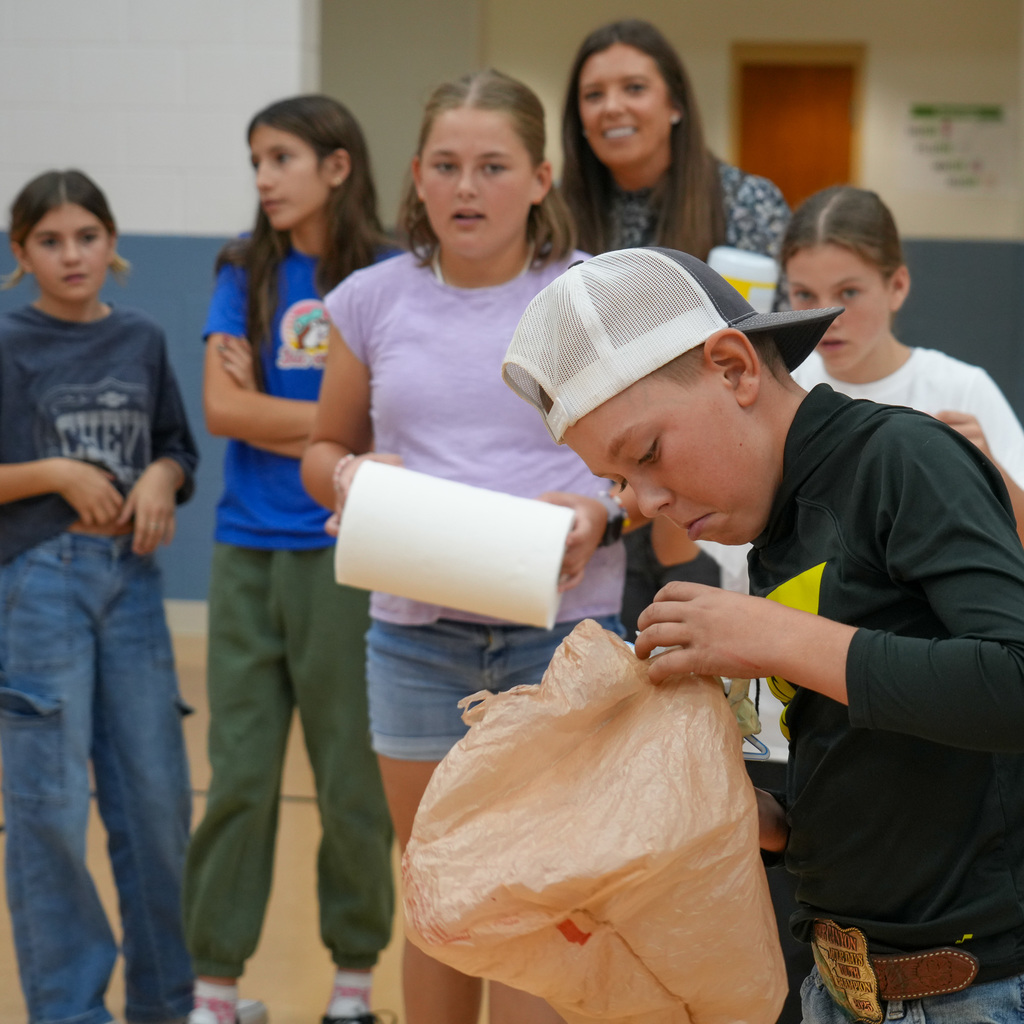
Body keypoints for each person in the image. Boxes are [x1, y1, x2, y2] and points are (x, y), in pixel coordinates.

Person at [503, 245, 1024, 1024]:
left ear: (735, 367)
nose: (642, 502)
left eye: (647, 453)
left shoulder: (900, 458)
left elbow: (1012, 681)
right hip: (842, 984)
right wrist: (757, 817)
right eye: (617, 482)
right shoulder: (777, 522)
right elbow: (879, 760)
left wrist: (774, 637)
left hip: (974, 990)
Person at [301, 69, 625, 1024]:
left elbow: (651, 462)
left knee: (539, 893)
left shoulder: (588, 296)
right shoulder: (370, 298)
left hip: (561, 635)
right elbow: (323, 450)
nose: (466, 187)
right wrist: (349, 476)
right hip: (415, 639)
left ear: (540, 178)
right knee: (438, 884)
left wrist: (603, 511)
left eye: (492, 166)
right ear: (416, 176)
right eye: (446, 166)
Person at [182, 95, 394, 1024]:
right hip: (245, 552)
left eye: (281, 158)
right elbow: (222, 411)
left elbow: (391, 420)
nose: (264, 178)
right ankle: (215, 989)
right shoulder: (246, 269)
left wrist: (294, 421)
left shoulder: (386, 275)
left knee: (351, 778)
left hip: (346, 550)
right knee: (238, 775)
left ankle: (353, 985)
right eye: (256, 162)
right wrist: (337, 423)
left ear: (337, 166)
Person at [0, 169, 198, 1024]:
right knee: (49, 810)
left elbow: (177, 448)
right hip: (38, 584)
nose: (71, 255)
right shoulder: (9, 341)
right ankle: (71, 1009)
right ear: (22, 253)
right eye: (50, 241)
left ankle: (168, 1002)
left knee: (157, 804)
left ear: (111, 242)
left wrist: (160, 476)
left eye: (86, 237)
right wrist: (56, 472)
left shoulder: (141, 336)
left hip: (132, 587)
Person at [560, 16, 790, 629]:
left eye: (634, 88)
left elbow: (774, 353)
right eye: (593, 94)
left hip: (717, 489)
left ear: (676, 104)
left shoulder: (747, 201)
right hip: (603, 493)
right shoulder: (559, 215)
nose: (612, 107)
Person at [784, 184, 1024, 543]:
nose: (827, 317)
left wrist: (990, 471)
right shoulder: (782, 388)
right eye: (804, 294)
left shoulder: (961, 390)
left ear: (896, 286)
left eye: (848, 292)